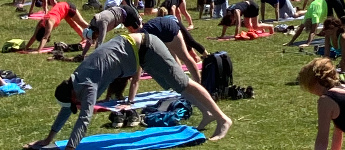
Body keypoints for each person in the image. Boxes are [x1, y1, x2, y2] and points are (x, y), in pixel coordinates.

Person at [27, 33, 230, 149]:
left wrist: (71, 148)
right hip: (139, 55)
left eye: (73, 103)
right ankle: (207, 113)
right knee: (176, 86)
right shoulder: (76, 83)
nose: (75, 106)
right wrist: (48, 139)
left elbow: (84, 118)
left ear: (73, 95)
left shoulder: (87, 84)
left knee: (184, 83)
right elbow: (66, 110)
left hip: (147, 47)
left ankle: (222, 119)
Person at [127, 12, 206, 81]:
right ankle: (182, 80)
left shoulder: (141, 39)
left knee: (185, 57)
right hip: (161, 31)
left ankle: (198, 81)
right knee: (172, 58)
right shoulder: (138, 39)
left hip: (169, 27)